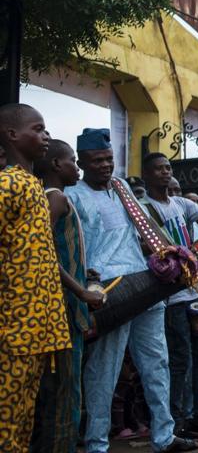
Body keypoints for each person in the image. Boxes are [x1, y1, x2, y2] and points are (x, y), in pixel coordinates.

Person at [65, 128, 191, 452]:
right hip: (110, 292)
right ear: (82, 163)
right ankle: (96, 444)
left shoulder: (121, 188)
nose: (105, 166)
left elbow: (146, 231)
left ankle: (164, 437)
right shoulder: (72, 195)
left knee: (157, 363)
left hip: (144, 284)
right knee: (103, 370)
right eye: (97, 161)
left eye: (109, 159)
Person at [140, 153, 198, 440]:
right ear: (146, 174)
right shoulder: (143, 208)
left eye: (168, 167)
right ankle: (177, 423)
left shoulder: (180, 203)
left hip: (195, 289)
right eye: (158, 169)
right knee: (180, 361)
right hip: (169, 295)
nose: (165, 172)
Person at [0, 105, 72, 453]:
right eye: (38, 128)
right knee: (8, 417)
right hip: (14, 325)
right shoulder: (8, 183)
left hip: (37, 326)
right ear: (12, 135)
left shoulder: (32, 185)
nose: (46, 136)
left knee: (24, 415)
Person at [30, 139, 106, 453]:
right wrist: (81, 293)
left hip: (68, 306)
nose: (77, 167)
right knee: (65, 390)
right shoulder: (55, 199)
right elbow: (45, 253)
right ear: (57, 166)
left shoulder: (58, 198)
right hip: (63, 309)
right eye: (73, 161)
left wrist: (86, 275)